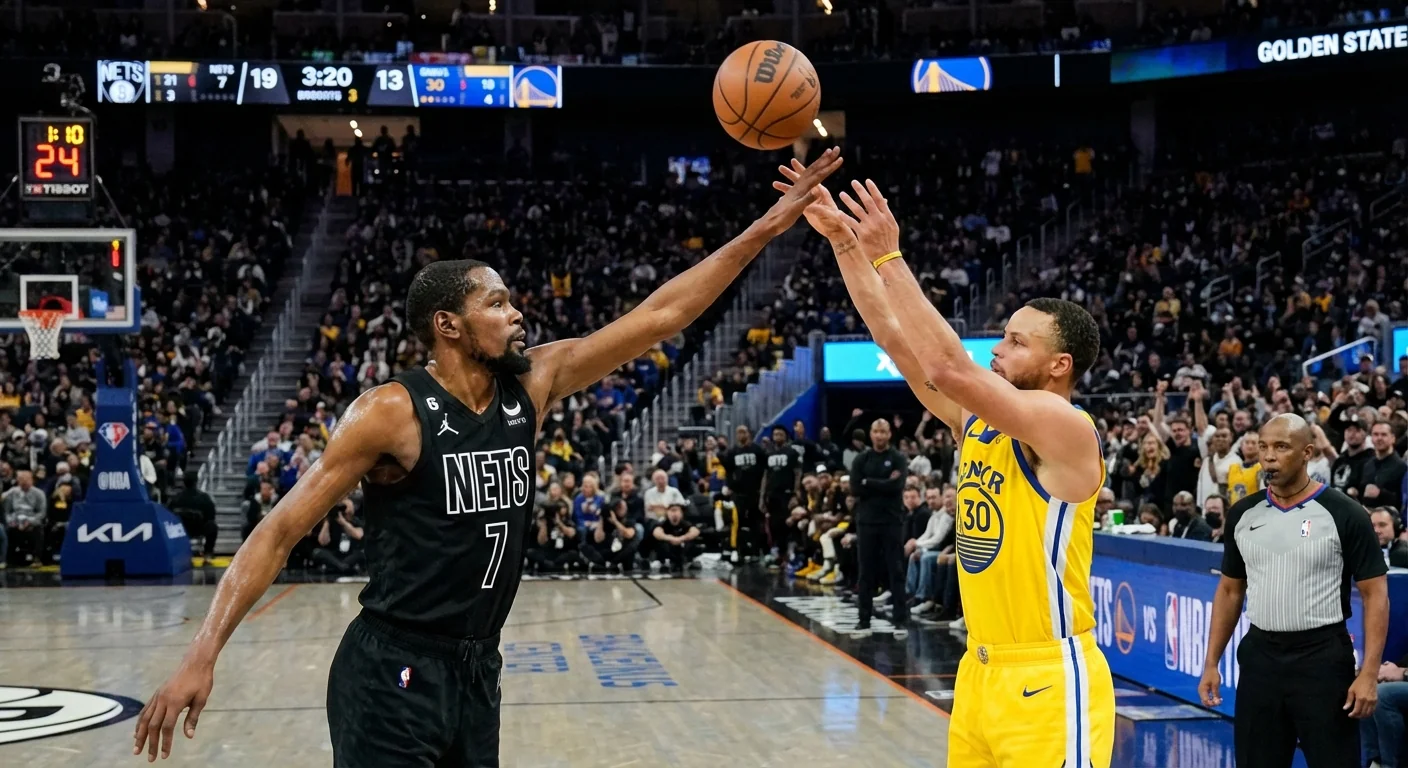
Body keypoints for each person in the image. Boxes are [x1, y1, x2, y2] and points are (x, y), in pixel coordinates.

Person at [131, 148, 844, 764]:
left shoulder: (533, 384)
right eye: (498, 304)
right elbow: (279, 531)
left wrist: (765, 228)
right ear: (449, 324)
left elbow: (663, 315)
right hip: (393, 669)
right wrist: (203, 652)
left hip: (479, 668)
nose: (517, 315)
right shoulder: (390, 411)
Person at [779, 164, 1113, 766]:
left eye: (1016, 342)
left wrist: (890, 258)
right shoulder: (976, 420)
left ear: (1060, 365)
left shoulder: (1069, 429)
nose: (998, 350)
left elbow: (949, 367)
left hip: (1049, 677)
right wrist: (846, 245)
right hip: (979, 671)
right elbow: (890, 333)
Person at [1199, 414, 1389, 768]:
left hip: (1322, 658)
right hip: (1260, 658)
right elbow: (1229, 591)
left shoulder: (1344, 513)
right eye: (1264, 446)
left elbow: (1375, 594)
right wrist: (1211, 661)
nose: (1269, 456)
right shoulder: (1242, 514)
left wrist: (1367, 674)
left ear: (1307, 453)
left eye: (1281, 447)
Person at [849, 418, 909, 633]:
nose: (879, 436)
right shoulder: (861, 459)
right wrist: (883, 483)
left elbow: (897, 486)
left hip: (892, 521)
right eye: (876, 431)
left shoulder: (898, 459)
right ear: (871, 434)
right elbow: (855, 488)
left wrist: (869, 482)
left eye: (883, 432)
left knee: (896, 571)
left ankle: (900, 620)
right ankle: (863, 620)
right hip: (866, 522)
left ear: (889, 434)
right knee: (866, 572)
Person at [168, 470, 218, 565]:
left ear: (184, 482)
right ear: (196, 482)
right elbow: (211, 516)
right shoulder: (204, 498)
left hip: (180, 530)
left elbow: (168, 515)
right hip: (198, 529)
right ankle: (207, 554)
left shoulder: (176, 498)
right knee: (212, 526)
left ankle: (177, 555)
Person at [651, 503, 701, 572]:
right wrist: (671, 538)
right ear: (667, 513)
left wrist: (681, 538)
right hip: (669, 547)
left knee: (690, 542)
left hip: (681, 547)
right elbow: (656, 533)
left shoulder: (684, 523)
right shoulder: (663, 523)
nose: (674, 514)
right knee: (661, 543)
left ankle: (687, 562)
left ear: (681, 513)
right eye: (672, 511)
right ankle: (664, 563)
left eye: (677, 511)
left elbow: (695, 531)